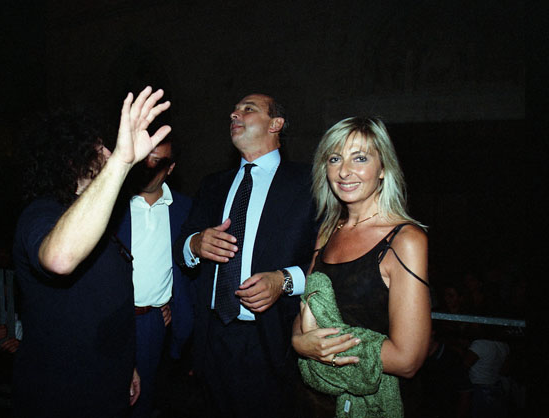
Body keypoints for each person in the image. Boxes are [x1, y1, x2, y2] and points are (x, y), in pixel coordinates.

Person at [11, 87, 171, 418]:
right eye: (99, 147)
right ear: (71, 159)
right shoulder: (41, 213)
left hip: (107, 385)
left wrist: (127, 366)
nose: (109, 151)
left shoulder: (99, 224)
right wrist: (121, 162)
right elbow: (59, 259)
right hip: (61, 395)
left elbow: (105, 304)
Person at [174, 93, 317, 418]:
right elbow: (182, 247)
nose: (234, 115)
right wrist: (196, 244)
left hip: (273, 339)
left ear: (275, 124)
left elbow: (328, 259)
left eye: (248, 109)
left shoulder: (308, 183)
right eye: (234, 110)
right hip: (212, 338)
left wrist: (284, 280)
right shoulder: (213, 184)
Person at [292, 117, 431, 416]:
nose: (344, 171)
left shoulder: (405, 239)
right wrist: (299, 342)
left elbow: (407, 360)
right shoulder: (328, 230)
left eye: (360, 158)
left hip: (378, 404)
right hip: (316, 402)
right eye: (334, 159)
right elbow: (307, 307)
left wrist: (320, 349)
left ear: (383, 168)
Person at [113, 136, 193, 418]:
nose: (148, 167)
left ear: (171, 168)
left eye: (157, 161)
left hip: (152, 322)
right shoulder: (112, 204)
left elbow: (188, 269)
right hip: (109, 320)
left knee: (142, 401)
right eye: (144, 158)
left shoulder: (185, 209)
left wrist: (169, 302)